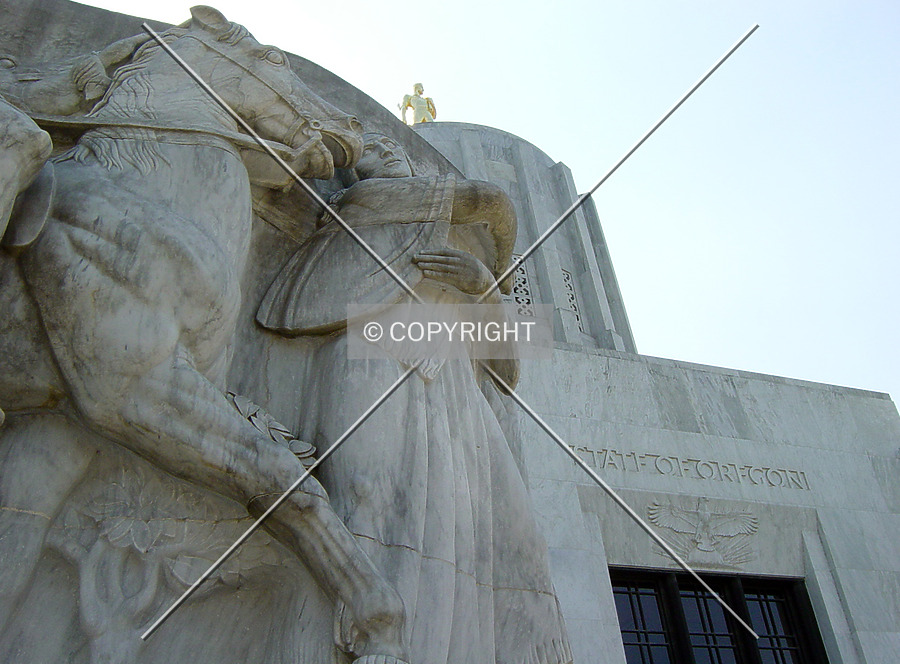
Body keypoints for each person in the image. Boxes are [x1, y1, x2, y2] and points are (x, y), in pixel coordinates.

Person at [257, 133, 572, 664]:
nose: (378, 152)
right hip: (370, 356)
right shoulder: (355, 212)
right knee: (365, 501)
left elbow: (507, 370)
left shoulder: (452, 236)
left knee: (505, 545)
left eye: (389, 149)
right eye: (369, 154)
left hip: (451, 387)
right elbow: (486, 200)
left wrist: (486, 291)